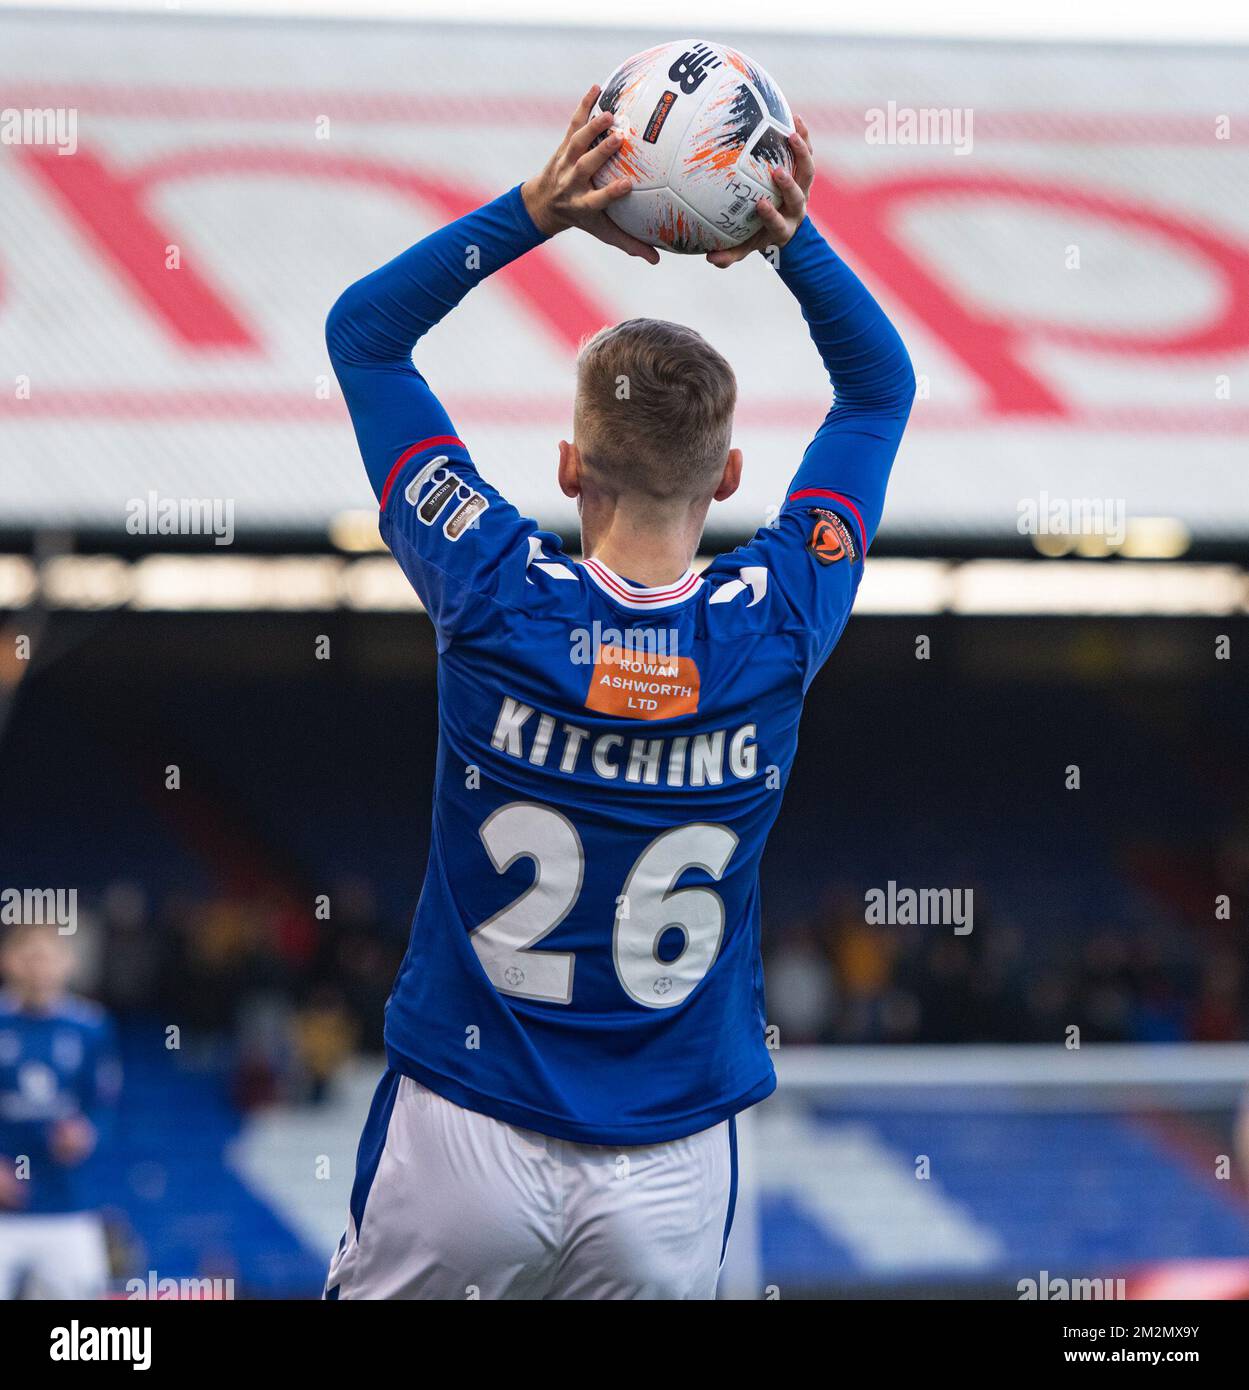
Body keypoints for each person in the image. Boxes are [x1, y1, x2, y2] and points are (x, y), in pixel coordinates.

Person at [323, 85, 913, 1300]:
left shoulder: (490, 588)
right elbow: (878, 390)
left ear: (567, 466)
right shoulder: (780, 622)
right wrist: (789, 236)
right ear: (734, 473)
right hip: (671, 1154)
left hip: (462, 1131)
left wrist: (538, 211)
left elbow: (365, 335)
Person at [0, 923, 121, 1299]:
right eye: (29, 955)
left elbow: (104, 1104)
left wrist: (87, 1133)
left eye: (48, 956)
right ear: (8, 961)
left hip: (67, 1206)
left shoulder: (91, 1027)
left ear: (68, 963)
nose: (39, 966)